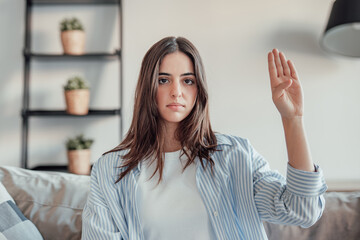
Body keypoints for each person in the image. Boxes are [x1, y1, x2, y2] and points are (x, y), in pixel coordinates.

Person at [82, 36, 327, 240]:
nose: (176, 91)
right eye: (163, 80)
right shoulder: (110, 171)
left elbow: (302, 211)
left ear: (199, 90)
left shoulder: (235, 156)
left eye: (188, 81)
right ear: (148, 87)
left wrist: (292, 119)